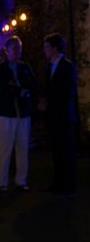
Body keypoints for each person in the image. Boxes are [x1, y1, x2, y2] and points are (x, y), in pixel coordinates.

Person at [0, 35, 35, 192]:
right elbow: (5, 88)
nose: (18, 51)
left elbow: (32, 84)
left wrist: (18, 88)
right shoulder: (0, 68)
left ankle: (20, 181)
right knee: (5, 148)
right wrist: (21, 89)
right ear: (8, 50)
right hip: (6, 113)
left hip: (22, 113)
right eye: (15, 48)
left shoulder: (25, 67)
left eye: (20, 48)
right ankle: (2, 182)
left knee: (22, 147)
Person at [41, 32, 77, 196]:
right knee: (56, 150)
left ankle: (68, 184)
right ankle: (57, 182)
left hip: (63, 116)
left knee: (65, 150)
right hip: (53, 116)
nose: (45, 50)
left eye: (47, 47)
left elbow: (69, 91)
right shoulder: (50, 66)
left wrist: (51, 101)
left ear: (55, 48)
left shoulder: (67, 66)